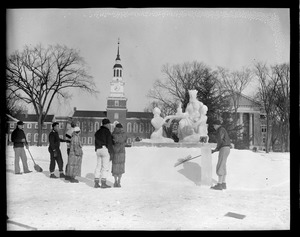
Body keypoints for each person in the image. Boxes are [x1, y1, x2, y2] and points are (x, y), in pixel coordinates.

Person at [210, 119, 231, 190]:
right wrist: (217, 149)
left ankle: (219, 184)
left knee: (220, 165)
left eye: (214, 126)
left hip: (224, 148)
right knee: (223, 164)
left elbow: (220, 140)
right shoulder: (223, 129)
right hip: (227, 148)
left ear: (216, 125)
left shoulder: (220, 130)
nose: (214, 127)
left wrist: (216, 149)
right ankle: (223, 183)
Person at [94, 118, 114, 188]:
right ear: (106, 124)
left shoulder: (97, 132)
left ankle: (96, 183)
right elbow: (109, 143)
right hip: (104, 149)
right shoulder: (107, 131)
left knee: (98, 166)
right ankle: (103, 183)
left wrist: (96, 149)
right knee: (105, 167)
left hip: (98, 150)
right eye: (109, 124)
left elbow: (95, 141)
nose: (109, 125)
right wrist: (111, 152)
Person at [111, 123, 127, 187]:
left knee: (115, 167)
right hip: (122, 152)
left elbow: (111, 142)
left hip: (115, 152)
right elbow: (125, 141)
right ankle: (119, 182)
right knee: (121, 167)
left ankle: (115, 181)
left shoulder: (113, 134)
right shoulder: (124, 134)